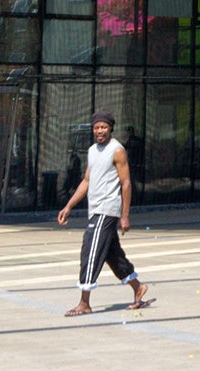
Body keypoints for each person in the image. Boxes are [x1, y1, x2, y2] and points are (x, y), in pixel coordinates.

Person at [56, 111, 151, 316]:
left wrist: (124, 215)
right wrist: (69, 206)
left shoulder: (117, 150)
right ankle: (138, 287)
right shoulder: (92, 150)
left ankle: (84, 302)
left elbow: (126, 183)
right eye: (97, 127)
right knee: (111, 253)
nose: (100, 131)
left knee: (90, 251)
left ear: (110, 129)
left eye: (104, 127)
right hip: (95, 209)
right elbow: (86, 181)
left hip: (107, 210)